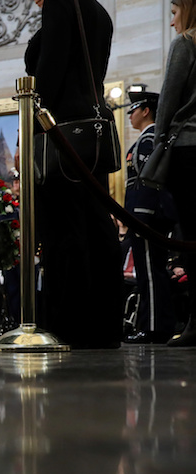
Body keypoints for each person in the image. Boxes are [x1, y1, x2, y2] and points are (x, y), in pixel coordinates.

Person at [25, 0, 121, 349]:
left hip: (61, 134)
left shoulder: (60, 4)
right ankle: (105, 325)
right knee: (97, 226)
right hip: (92, 134)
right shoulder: (99, 12)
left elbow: (48, 74)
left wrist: (32, 127)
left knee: (65, 232)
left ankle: (69, 326)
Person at [122, 91, 177, 344]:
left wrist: (139, 217)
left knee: (151, 273)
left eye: (133, 109)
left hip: (146, 217)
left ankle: (154, 328)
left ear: (146, 111)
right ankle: (150, 324)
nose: (129, 115)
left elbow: (148, 182)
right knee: (147, 273)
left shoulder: (149, 139)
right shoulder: (145, 139)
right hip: (143, 217)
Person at [158, 0, 196, 346]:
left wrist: (157, 149)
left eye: (174, 12)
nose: (172, 22)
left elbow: (168, 101)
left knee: (191, 238)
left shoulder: (187, 43)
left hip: (188, 149)